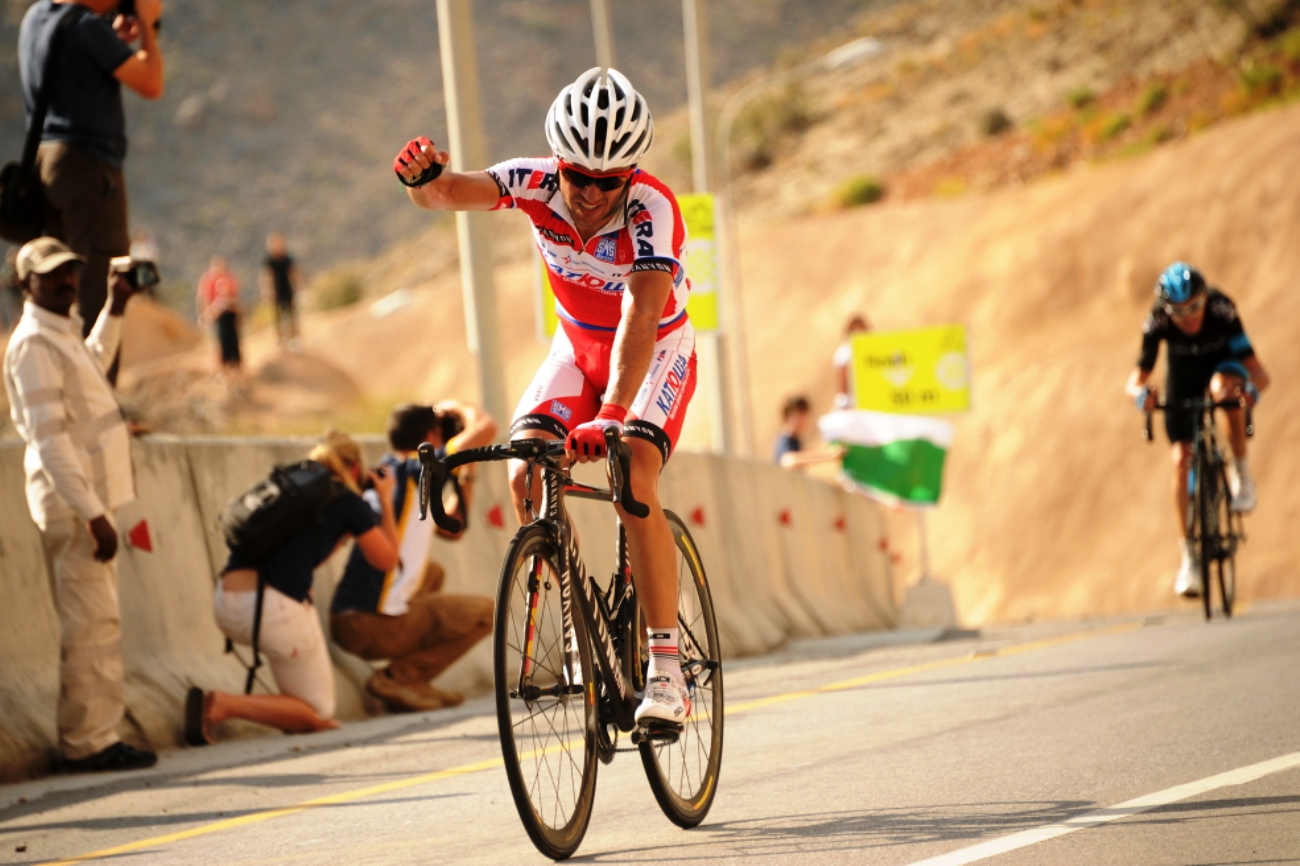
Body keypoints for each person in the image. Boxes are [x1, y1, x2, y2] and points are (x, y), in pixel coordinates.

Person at [396, 67, 698, 729]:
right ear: (556, 164)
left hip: (652, 354)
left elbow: (640, 319)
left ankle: (667, 671)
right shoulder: (532, 182)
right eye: (577, 177)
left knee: (635, 478)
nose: (590, 194)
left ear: (630, 174)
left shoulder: (653, 209)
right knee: (528, 468)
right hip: (576, 348)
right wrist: (423, 180)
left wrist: (613, 413)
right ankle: (579, 632)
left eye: (608, 181)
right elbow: (447, 193)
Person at [2, 236, 155, 773]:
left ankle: (95, 735)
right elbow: (50, 440)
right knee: (90, 624)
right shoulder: (31, 345)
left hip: (86, 501)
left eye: (70, 271)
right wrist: (92, 513)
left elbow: (92, 363)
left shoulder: (58, 334)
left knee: (98, 620)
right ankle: (87, 742)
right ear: (25, 285)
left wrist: (114, 306)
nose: (67, 281)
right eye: (52, 275)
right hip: (75, 506)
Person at [186, 431, 399, 744]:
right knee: (319, 709)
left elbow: (303, 555)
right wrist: (385, 499)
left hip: (226, 602)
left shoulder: (291, 492)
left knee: (304, 703)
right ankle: (225, 705)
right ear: (355, 468)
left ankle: (287, 713)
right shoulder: (347, 502)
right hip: (274, 610)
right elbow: (387, 559)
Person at [330, 401, 497, 713]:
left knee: (432, 572)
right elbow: (486, 428)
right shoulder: (417, 470)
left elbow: (453, 528)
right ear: (433, 434)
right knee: (487, 612)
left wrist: (467, 470)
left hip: (350, 619)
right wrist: (454, 407)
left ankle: (406, 678)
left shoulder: (392, 474)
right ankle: (400, 677)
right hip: (370, 624)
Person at [19, 0, 165, 339]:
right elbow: (152, 83)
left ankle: (61, 380)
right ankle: (96, 387)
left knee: (58, 289)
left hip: (46, 166)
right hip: (88, 167)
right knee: (101, 293)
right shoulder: (87, 27)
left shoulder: (38, 17)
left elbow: (75, 68)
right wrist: (146, 26)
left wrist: (112, 42)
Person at [1124, 262, 1269, 598]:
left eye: (1194, 306)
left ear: (1205, 298)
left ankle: (1242, 475)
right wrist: (1141, 397)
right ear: (1166, 309)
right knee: (1180, 458)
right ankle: (1189, 553)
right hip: (1183, 377)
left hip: (1224, 366)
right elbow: (1134, 381)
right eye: (1178, 310)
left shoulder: (1222, 309)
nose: (1187, 315)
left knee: (1224, 394)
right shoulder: (1157, 319)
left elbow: (1260, 372)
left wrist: (1251, 393)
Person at [196, 255, 242, 388]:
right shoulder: (207, 281)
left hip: (229, 319)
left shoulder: (230, 280)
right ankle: (219, 372)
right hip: (214, 318)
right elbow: (203, 299)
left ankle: (235, 374)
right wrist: (205, 315)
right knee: (216, 346)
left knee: (231, 346)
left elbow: (236, 300)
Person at [774, 395, 844, 470]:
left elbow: (803, 453)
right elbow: (789, 461)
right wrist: (830, 456)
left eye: (804, 414)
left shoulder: (794, 441)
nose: (802, 419)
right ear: (787, 416)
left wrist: (828, 452)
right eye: (798, 415)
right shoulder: (785, 441)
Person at [260, 232, 301, 351]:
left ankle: (295, 339)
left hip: (287, 290)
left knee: (291, 315)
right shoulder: (269, 260)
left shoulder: (287, 257)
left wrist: (298, 286)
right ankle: (280, 340)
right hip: (276, 292)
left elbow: (294, 273)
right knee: (277, 318)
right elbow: (266, 276)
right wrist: (267, 291)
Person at [833, 313, 871, 409]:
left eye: (862, 331)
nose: (859, 334)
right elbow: (843, 384)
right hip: (850, 406)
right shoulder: (844, 353)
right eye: (856, 331)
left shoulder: (872, 352)